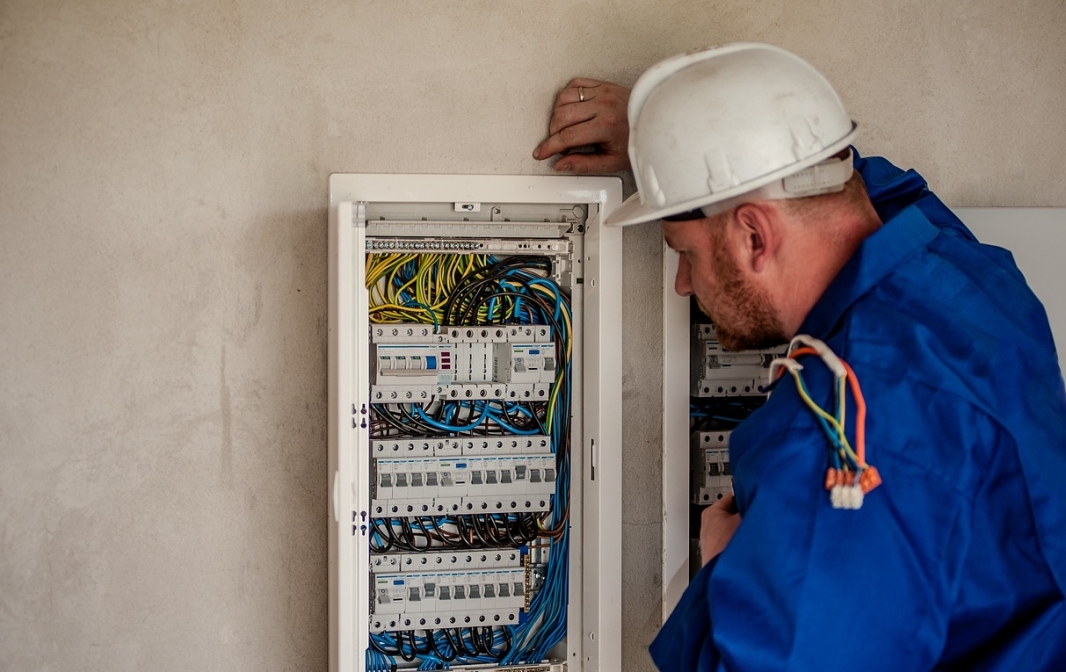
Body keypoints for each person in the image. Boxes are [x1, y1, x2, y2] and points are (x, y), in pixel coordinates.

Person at [535, 43, 1066, 670]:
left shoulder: (840, 434)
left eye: (685, 251)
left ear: (755, 236)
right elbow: (855, 180)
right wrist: (672, 145)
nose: (682, 282)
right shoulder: (968, 273)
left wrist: (728, 572)